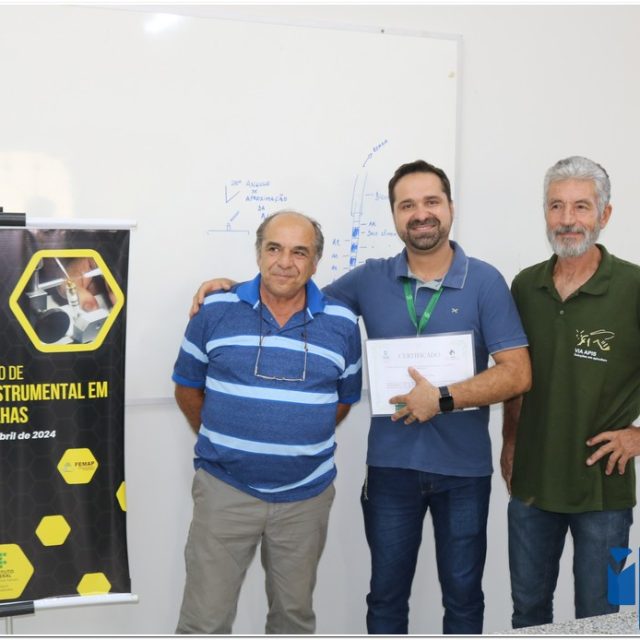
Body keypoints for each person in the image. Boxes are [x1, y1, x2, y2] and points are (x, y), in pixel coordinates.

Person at [191, 160, 531, 634]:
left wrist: (443, 398)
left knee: (464, 598)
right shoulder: (369, 279)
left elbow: (517, 374)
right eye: (406, 205)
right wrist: (230, 287)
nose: (420, 213)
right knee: (386, 599)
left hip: (463, 472)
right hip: (391, 469)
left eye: (431, 202)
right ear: (394, 215)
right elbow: (294, 293)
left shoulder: (485, 281)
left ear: (450, 208)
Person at [173, 210, 362, 634]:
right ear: (258, 253)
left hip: (305, 498)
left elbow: (343, 400)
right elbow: (187, 387)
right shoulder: (214, 309)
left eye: (300, 252)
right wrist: (227, 441)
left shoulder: (343, 323)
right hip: (225, 490)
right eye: (274, 248)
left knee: (293, 620)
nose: (284, 262)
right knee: (204, 622)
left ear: (316, 262)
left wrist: (295, 436)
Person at [501, 156, 640, 628]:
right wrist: (510, 441)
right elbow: (515, 376)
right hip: (531, 487)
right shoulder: (525, 286)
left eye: (581, 206)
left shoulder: (634, 286)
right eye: (556, 205)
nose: (567, 219)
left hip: (609, 495)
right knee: (528, 613)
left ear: (605, 215)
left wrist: (638, 437)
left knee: (611, 615)